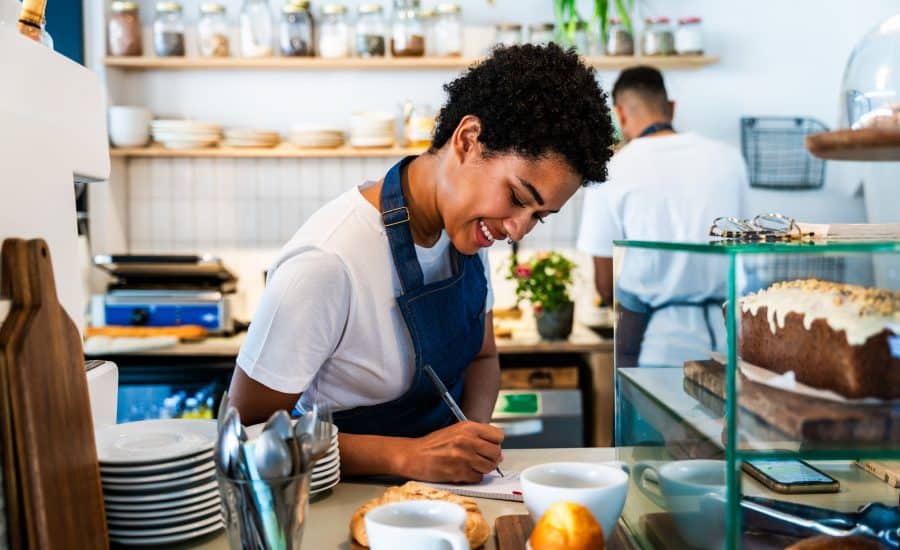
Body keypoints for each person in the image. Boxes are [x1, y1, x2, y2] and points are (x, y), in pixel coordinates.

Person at [230, 44, 615, 483]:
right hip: (336, 505)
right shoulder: (326, 262)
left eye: (538, 217)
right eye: (517, 198)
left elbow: (483, 357)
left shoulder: (467, 233)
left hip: (439, 497)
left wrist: (468, 441)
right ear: (468, 140)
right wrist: (404, 457)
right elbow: (247, 435)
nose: (517, 230)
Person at [576, 65, 748, 368]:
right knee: (722, 417)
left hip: (656, 345)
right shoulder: (729, 159)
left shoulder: (612, 171)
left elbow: (604, 285)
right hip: (729, 339)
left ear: (620, 114)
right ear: (671, 107)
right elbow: (746, 249)